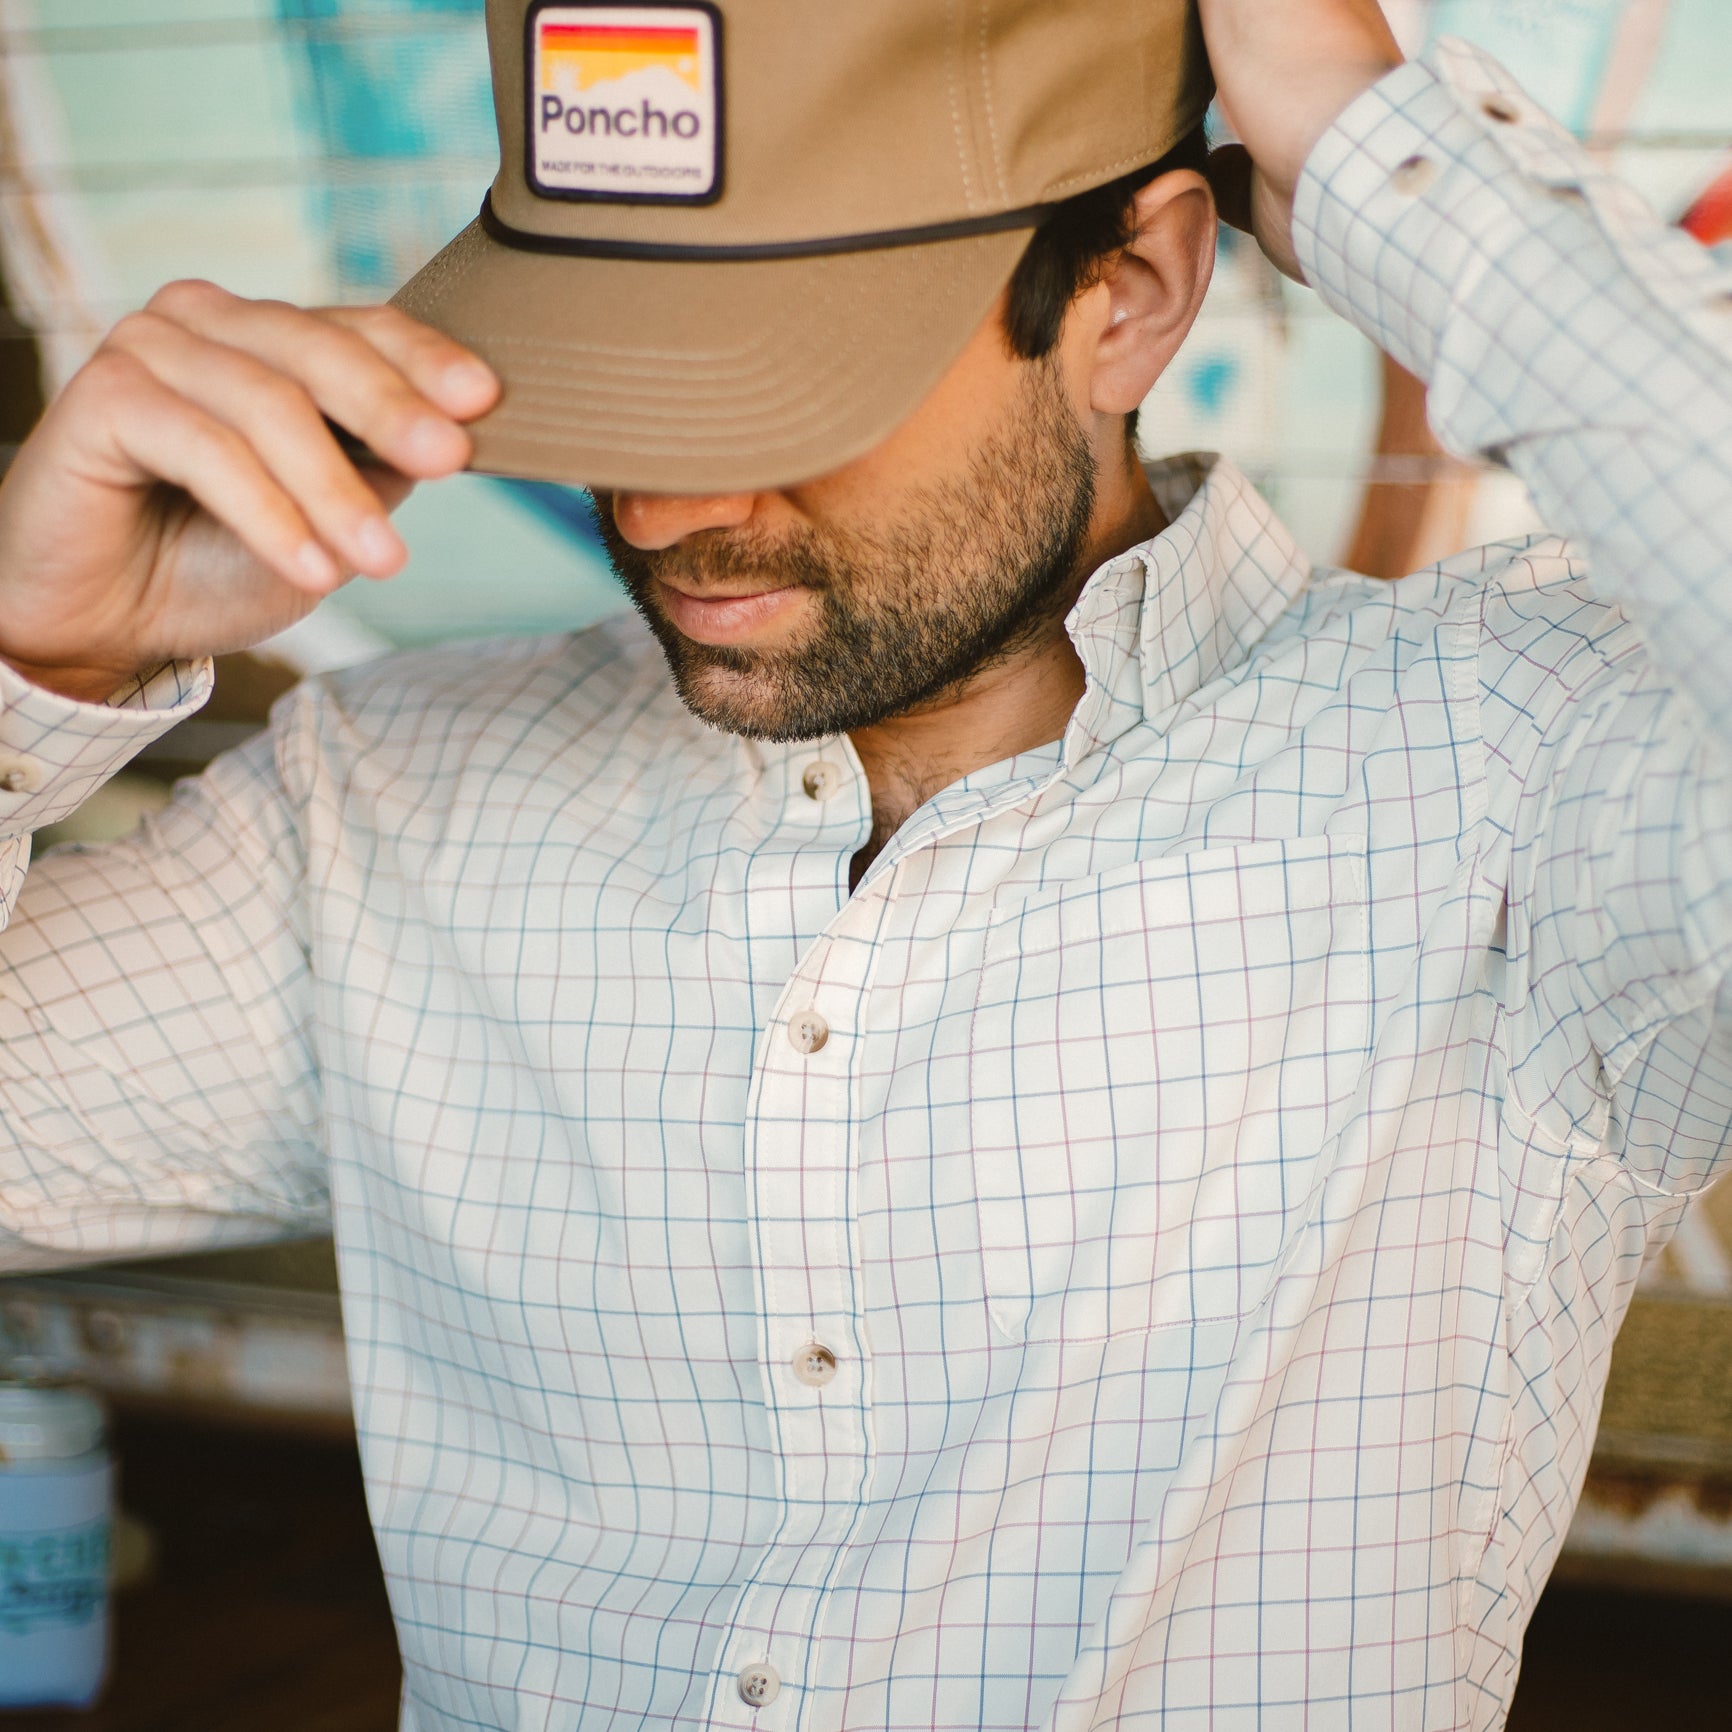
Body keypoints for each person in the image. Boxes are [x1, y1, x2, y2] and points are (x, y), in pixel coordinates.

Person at [0, 0, 1727, 1726]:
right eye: (608, 358)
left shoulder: (1521, 782)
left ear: (1127, 294)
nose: (669, 504)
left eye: (779, 373)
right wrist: (35, 669)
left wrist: (1377, 141)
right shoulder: (384, 802)